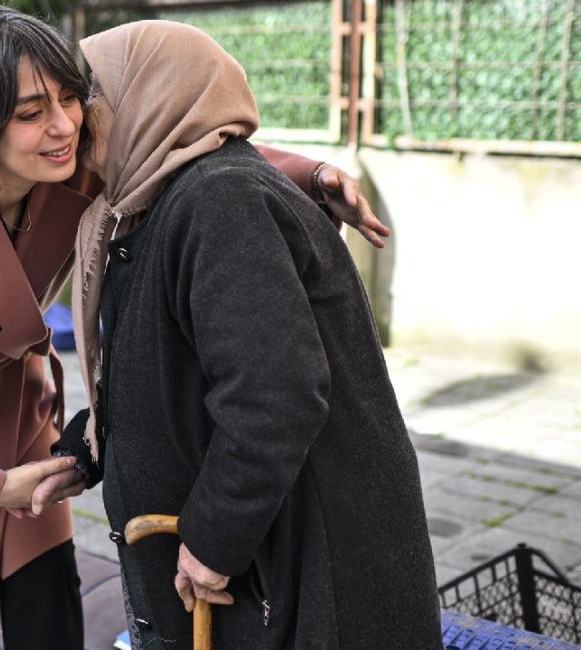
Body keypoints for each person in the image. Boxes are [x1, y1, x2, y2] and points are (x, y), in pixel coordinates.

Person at [0, 4, 386, 647]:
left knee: (46, 591)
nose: (63, 126)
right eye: (30, 113)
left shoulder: (72, 157)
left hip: (10, 395)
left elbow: (181, 145)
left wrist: (311, 173)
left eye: (71, 98)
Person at [43, 20, 441, 649]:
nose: (80, 116)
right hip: (270, 571)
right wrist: (90, 447)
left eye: (95, 93)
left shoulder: (220, 201)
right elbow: (172, 372)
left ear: (154, 99)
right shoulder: (165, 200)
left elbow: (274, 396)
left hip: (299, 575)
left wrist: (214, 538)